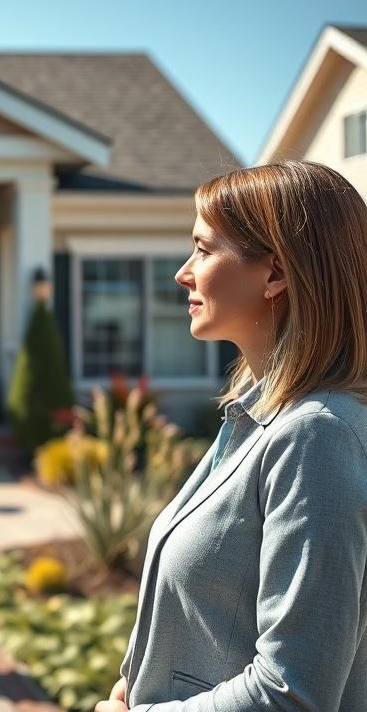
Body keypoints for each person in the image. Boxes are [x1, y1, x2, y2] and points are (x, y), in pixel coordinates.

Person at [98, 161, 367, 711]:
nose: (183, 272)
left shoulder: (316, 437)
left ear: (274, 274)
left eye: (203, 248)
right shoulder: (258, 419)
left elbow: (293, 692)